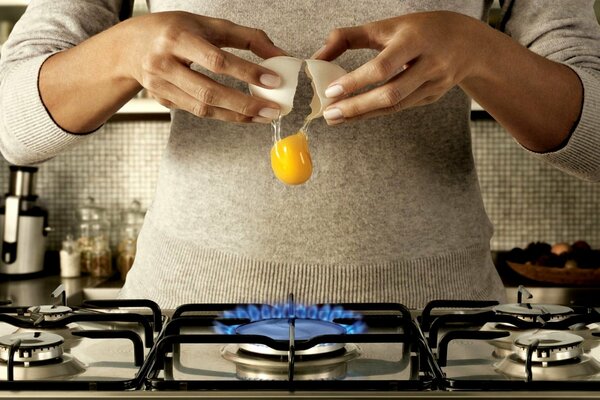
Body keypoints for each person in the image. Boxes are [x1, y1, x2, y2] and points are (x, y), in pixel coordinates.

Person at [0, 1, 599, 308]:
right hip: (186, 322)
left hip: (441, 324)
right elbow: (12, 128)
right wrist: (121, 53)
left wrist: (479, 50)